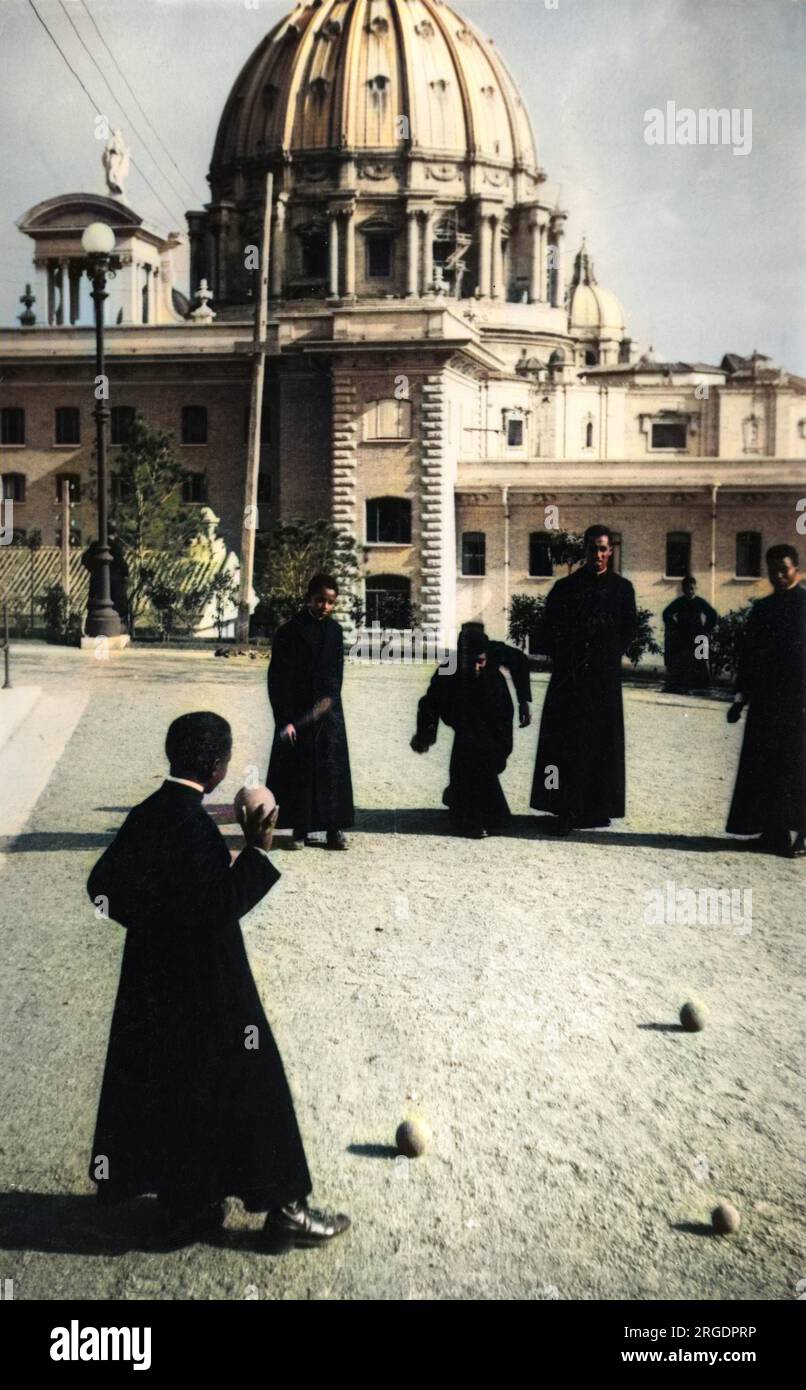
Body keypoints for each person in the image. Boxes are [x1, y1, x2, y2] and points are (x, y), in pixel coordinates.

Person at [86, 711, 350, 1249]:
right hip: (212, 987)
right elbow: (220, 908)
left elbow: (101, 887)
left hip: (156, 989)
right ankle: (287, 1210)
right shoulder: (196, 829)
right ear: (213, 766)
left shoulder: (148, 814)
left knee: (177, 1090)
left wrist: (153, 926)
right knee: (257, 1084)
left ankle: (187, 1204)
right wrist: (256, 851)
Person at [530, 524, 638, 833]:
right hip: (571, 679)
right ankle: (566, 809)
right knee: (568, 744)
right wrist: (569, 654)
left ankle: (596, 808)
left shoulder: (622, 589)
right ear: (585, 550)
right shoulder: (566, 588)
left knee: (601, 743)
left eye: (604, 549)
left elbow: (629, 628)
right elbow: (548, 629)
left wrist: (607, 653)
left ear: (611, 551)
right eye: (593, 549)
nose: (599, 555)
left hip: (603, 680)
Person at [726, 544, 806, 858]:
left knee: (799, 767)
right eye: (773, 570)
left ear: (796, 568)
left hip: (801, 701)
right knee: (767, 767)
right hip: (767, 701)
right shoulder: (763, 610)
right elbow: (749, 659)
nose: (778, 576)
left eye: (784, 569)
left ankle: (803, 834)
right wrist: (739, 698)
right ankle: (772, 832)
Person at [266, 573, 354, 850]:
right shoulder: (289, 631)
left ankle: (333, 829)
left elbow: (336, 674)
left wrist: (332, 707)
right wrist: (286, 720)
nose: (325, 607)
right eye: (320, 601)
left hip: (328, 714)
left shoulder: (336, 631)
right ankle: (300, 829)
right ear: (309, 598)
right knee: (301, 772)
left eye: (330, 602)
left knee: (331, 771)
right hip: (299, 714)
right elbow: (278, 680)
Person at [411, 627, 525, 838]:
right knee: (469, 751)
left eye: (480, 661)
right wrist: (425, 735)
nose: (475, 667)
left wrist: (501, 751)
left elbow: (504, 720)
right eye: (469, 661)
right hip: (465, 732)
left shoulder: (495, 678)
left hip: (491, 737)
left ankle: (457, 795)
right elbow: (430, 703)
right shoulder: (448, 669)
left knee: (478, 756)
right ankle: (471, 819)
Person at [663, 576, 717, 692]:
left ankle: (701, 687)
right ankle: (680, 685)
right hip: (682, 635)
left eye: (692, 588)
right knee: (682, 659)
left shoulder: (700, 602)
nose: (690, 591)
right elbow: (666, 613)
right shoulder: (679, 602)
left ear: (695, 588)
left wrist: (706, 629)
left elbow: (712, 614)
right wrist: (674, 626)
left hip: (698, 635)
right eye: (687, 589)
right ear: (683, 589)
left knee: (700, 659)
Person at [80, 523, 130, 629]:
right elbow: (121, 563)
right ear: (115, 534)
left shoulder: (95, 545)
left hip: (97, 580)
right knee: (116, 606)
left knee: (95, 604)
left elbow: (84, 559)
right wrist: (125, 574)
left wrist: (93, 569)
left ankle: (93, 627)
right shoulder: (115, 546)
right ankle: (115, 628)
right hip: (114, 583)